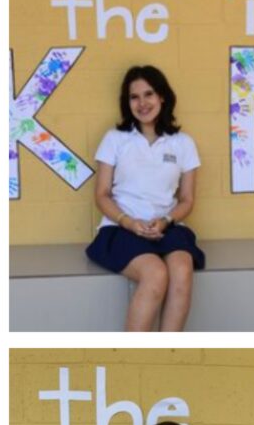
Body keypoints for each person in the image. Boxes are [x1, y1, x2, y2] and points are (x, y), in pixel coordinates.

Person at [86, 66, 203, 331]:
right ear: (127, 103)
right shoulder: (115, 139)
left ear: (162, 96)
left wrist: (165, 221)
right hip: (121, 227)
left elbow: (186, 199)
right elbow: (101, 195)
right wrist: (129, 222)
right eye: (134, 97)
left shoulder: (183, 143)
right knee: (156, 273)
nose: (142, 103)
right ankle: (134, 356)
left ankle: (165, 354)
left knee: (182, 270)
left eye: (149, 94)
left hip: (166, 225)